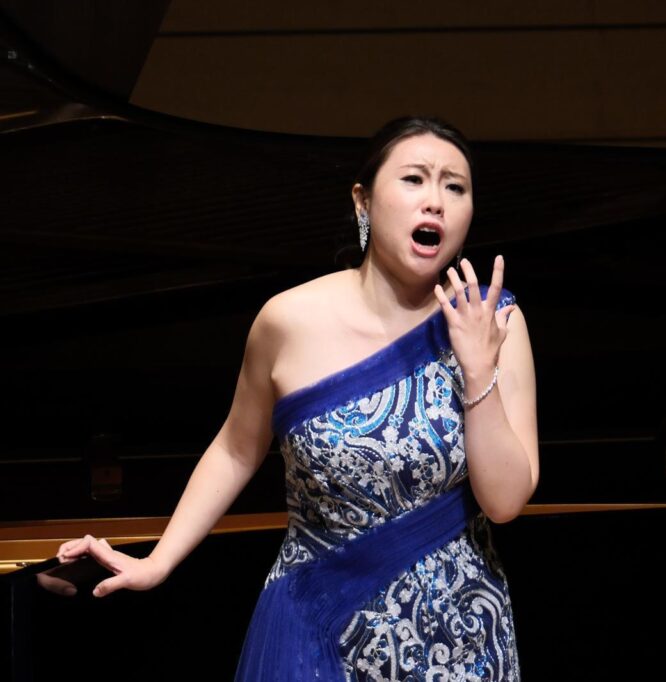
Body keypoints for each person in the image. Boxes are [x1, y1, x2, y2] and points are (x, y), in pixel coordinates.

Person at [53, 115, 540, 681]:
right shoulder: (287, 320)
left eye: (455, 187)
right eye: (414, 179)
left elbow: (505, 502)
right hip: (314, 629)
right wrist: (157, 561)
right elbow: (236, 449)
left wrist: (478, 370)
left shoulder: (497, 322)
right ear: (362, 201)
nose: (435, 200)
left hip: (457, 634)